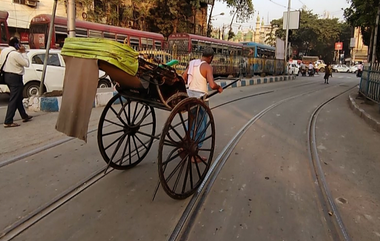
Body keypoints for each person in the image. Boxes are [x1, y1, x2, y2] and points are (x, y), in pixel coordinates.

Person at [182, 48, 223, 162]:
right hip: (201, 99)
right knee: (201, 124)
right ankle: (194, 152)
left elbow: (183, 78)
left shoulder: (192, 63)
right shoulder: (207, 67)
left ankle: (184, 142)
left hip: (189, 97)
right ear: (210, 58)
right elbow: (212, 84)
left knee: (191, 121)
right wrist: (218, 88)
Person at [0, 37, 32, 128]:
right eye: (19, 43)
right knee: (14, 99)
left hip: (6, 76)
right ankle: (8, 121)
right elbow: (26, 63)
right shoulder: (16, 54)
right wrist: (23, 53)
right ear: (16, 44)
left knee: (17, 97)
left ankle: (24, 115)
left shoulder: (4, 51)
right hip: (15, 77)